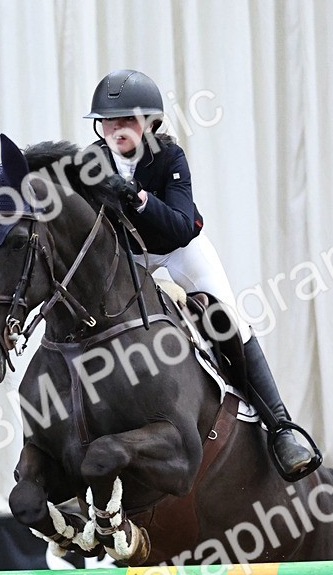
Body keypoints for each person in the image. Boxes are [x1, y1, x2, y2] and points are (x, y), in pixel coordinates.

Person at [85, 68, 319, 480]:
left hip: (178, 251)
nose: (115, 128)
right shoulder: (90, 162)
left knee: (228, 316)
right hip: (130, 258)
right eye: (108, 120)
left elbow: (181, 224)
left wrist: (138, 198)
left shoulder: (170, 157)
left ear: (149, 123)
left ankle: (280, 427)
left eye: (127, 120)